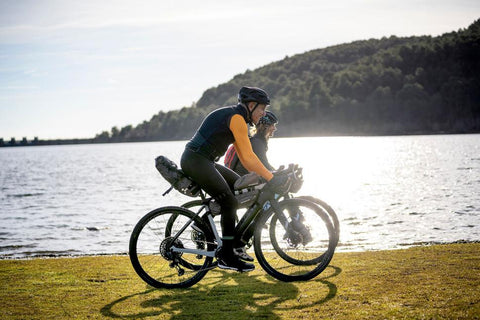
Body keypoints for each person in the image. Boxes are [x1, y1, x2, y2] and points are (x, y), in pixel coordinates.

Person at [180, 86, 286, 272]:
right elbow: (249, 157)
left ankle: (221, 236)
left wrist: (267, 176)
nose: (263, 114)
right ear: (251, 105)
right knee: (229, 202)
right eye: (262, 109)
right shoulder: (236, 119)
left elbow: (246, 157)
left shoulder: (239, 120)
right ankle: (226, 256)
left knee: (238, 187)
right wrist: (270, 178)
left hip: (204, 161)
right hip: (196, 160)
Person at [226, 111, 278, 176]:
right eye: (272, 125)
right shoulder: (257, 143)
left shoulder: (253, 140)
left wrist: (277, 171)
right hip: (242, 180)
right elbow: (265, 165)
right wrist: (279, 174)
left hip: (238, 178)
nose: (274, 128)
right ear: (264, 126)